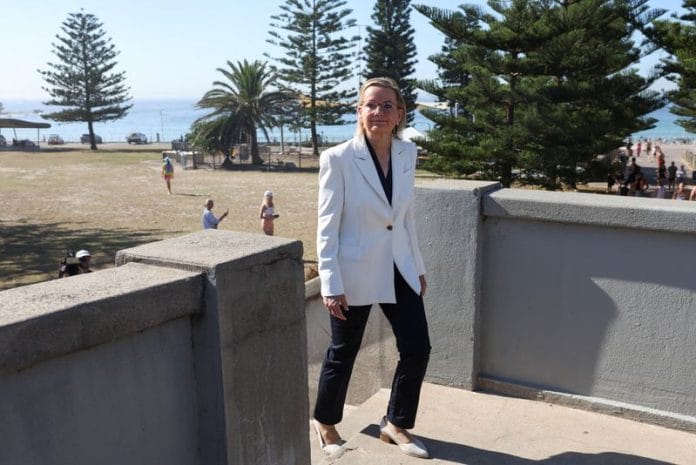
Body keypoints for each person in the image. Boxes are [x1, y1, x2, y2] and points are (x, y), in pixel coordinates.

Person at [312, 77, 430, 459]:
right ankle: (325, 423)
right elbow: (327, 227)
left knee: (417, 347)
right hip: (354, 271)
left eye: (386, 105)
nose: (378, 112)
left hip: (399, 266)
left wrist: (418, 266)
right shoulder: (338, 159)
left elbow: (406, 218)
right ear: (359, 112)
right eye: (371, 105)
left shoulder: (407, 153)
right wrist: (330, 283)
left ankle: (395, 423)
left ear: (400, 114)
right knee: (343, 350)